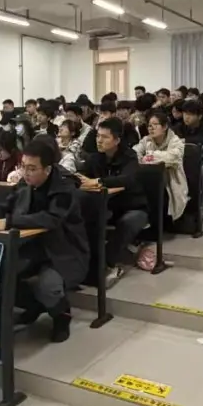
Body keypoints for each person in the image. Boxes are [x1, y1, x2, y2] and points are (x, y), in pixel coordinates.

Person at [0, 139, 87, 342]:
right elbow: (5, 205)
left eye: (32, 168)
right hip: (30, 247)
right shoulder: (24, 184)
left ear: (48, 169)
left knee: (47, 284)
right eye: (23, 166)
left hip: (62, 251)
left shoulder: (65, 187)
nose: (26, 173)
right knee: (1, 273)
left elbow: (51, 218)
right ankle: (35, 306)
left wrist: (9, 222)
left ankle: (62, 315)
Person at [79, 117, 149, 285]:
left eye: (105, 137)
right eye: (98, 136)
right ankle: (88, 265)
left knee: (127, 223)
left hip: (133, 207)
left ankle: (107, 265)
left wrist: (98, 181)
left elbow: (127, 179)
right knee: (87, 220)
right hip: (106, 205)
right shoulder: (95, 158)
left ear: (117, 140)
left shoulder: (129, 156)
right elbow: (82, 177)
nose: (99, 140)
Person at [134, 109, 190, 221]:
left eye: (155, 125)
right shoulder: (146, 140)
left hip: (171, 182)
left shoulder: (175, 141)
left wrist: (149, 156)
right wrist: (142, 158)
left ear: (164, 127)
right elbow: (134, 153)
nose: (151, 128)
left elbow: (172, 157)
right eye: (149, 125)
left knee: (156, 193)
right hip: (150, 180)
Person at [173, 99, 203, 221]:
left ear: (199, 116)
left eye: (190, 114)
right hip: (183, 161)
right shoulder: (179, 127)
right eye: (185, 113)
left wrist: (186, 140)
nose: (186, 117)